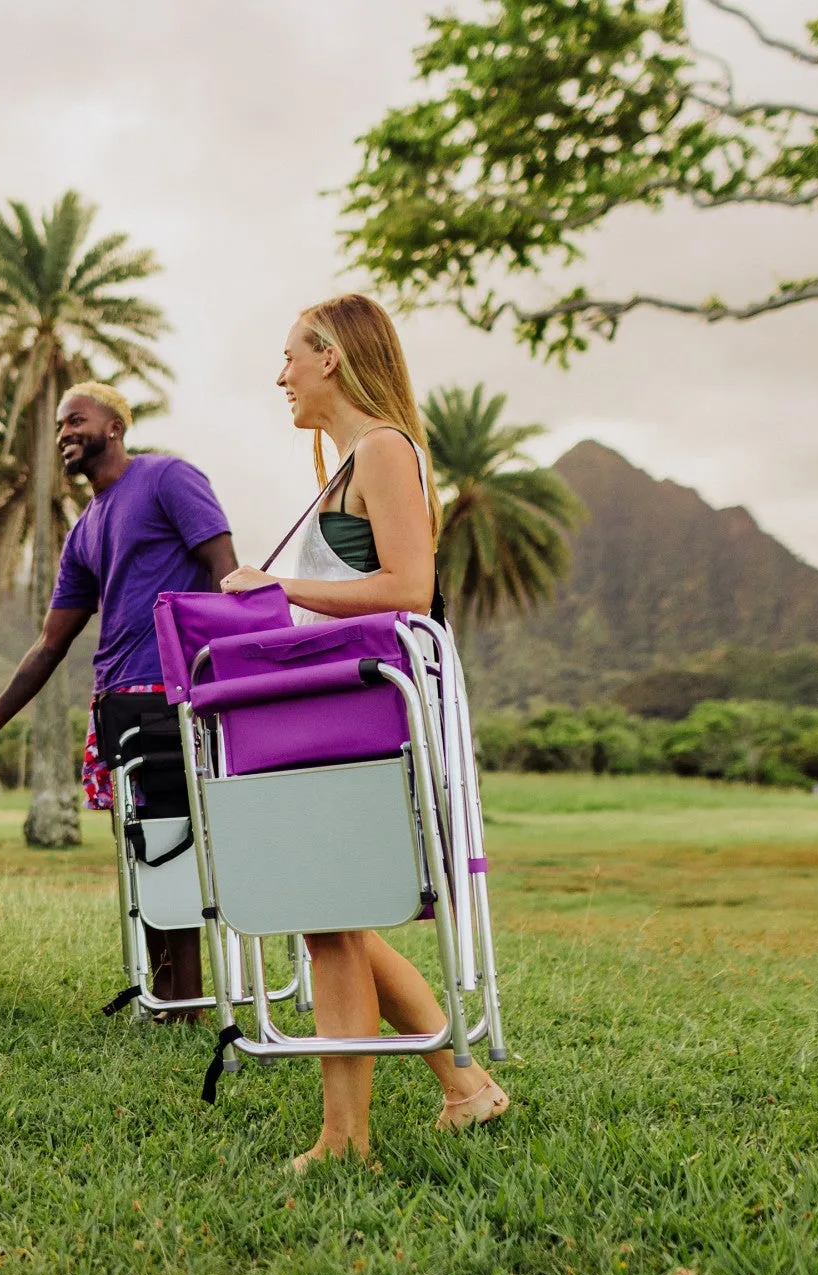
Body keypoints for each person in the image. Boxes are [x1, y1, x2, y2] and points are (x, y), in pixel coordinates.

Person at [220, 293, 509, 1169]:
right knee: (335, 920)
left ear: (332, 358)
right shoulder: (344, 467)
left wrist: (280, 592)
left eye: (290, 357)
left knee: (330, 916)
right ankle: (465, 1088)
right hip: (339, 724)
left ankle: (346, 1143)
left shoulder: (382, 449)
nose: (281, 376)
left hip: (371, 725)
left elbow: (410, 588)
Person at [0, 382, 237, 1015]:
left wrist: (223, 677)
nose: (63, 434)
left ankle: (183, 1003)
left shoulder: (168, 478)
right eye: (57, 426)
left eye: (75, 419)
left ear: (116, 424)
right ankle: (166, 996)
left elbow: (226, 573)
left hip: (174, 692)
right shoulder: (86, 530)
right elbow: (51, 643)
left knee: (173, 842)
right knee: (144, 848)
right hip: (116, 705)